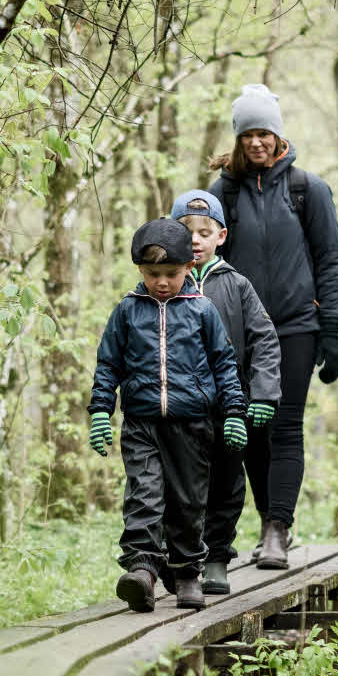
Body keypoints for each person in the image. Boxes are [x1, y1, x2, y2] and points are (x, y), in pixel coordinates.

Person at [207, 84, 338, 568]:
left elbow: (330, 261)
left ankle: (276, 529)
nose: (256, 143)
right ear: (239, 138)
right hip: (238, 334)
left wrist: (334, 329)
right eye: (248, 134)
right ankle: (269, 519)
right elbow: (202, 260)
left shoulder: (308, 189)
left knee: (285, 426)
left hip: (295, 328)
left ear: (278, 135)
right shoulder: (222, 193)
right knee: (248, 427)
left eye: (264, 133)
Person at [88, 218, 248, 613]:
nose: (162, 282)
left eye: (171, 274)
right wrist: (100, 411)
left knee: (188, 501)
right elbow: (108, 365)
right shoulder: (127, 311)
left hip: (192, 424)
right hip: (141, 422)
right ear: (140, 271)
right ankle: (142, 569)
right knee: (143, 495)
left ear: (189, 268)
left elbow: (224, 364)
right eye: (152, 274)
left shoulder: (203, 311)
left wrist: (233, 412)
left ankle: (187, 572)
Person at [166, 188, 281, 594]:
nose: (195, 239)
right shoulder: (164, 284)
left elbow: (264, 340)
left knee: (227, 487)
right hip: (179, 412)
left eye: (204, 231)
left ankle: (217, 558)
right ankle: (182, 560)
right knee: (181, 489)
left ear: (221, 236)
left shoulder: (237, 286)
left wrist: (264, 393)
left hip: (231, 409)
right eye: (186, 231)